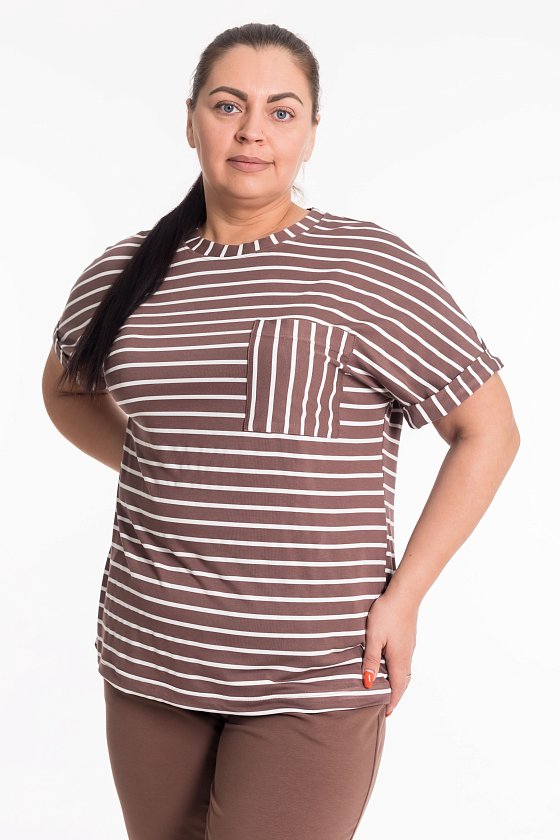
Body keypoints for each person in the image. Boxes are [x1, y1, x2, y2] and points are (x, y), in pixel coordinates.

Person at [42, 21, 520, 840]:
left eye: (282, 111)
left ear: (311, 133)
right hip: (149, 655)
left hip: (313, 672)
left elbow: (488, 430)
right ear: (191, 119)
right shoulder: (123, 271)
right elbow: (65, 390)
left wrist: (405, 596)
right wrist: (168, 464)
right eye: (228, 105)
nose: (252, 131)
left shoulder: (365, 266)